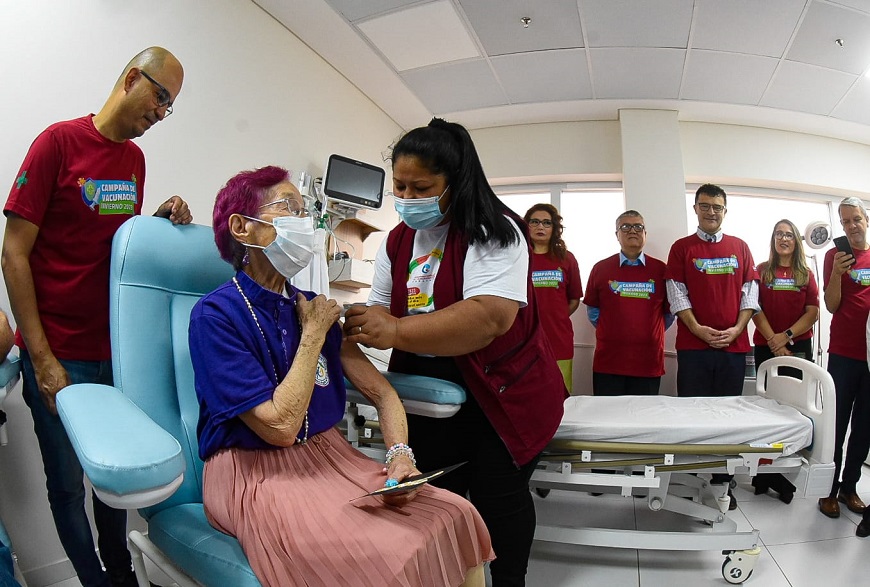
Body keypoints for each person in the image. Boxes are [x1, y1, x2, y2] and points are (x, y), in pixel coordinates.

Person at [190, 166, 492, 587]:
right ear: (242, 227)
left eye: (304, 209)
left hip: (331, 457)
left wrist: (400, 456)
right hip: (255, 473)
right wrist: (312, 334)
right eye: (288, 208)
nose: (304, 222)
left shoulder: (316, 307)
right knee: (386, 553)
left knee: (456, 513)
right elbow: (278, 427)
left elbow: (384, 395)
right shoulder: (216, 315)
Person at [344, 118, 566, 587]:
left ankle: (508, 580)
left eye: (421, 187)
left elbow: (489, 318)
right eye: (399, 186)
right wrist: (359, 324)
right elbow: (382, 308)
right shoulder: (398, 239)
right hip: (430, 395)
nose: (407, 198)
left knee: (497, 498)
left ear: (455, 181)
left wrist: (396, 329)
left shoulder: (496, 231)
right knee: (433, 499)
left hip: (502, 393)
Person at [1, 47, 190, 587]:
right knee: (65, 484)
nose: (161, 113)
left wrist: (158, 222)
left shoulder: (135, 161)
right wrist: (42, 360)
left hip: (116, 357)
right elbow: (14, 255)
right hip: (58, 355)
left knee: (116, 481)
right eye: (160, 97)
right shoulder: (56, 143)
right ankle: (92, 580)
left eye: (169, 107)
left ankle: (121, 574)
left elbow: (114, 249)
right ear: (132, 78)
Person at [665, 183, 759, 510]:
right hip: (694, 348)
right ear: (695, 209)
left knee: (727, 417)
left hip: (733, 349)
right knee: (692, 414)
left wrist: (736, 329)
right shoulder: (682, 248)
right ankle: (693, 477)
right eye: (705, 206)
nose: (711, 212)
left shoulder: (741, 247)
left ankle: (722, 482)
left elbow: (750, 294)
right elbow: (676, 293)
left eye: (717, 207)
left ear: (724, 211)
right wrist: (698, 330)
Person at [750, 219, 819, 503]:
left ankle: (783, 471)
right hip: (767, 347)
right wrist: (774, 341)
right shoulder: (762, 271)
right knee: (767, 409)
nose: (784, 238)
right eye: (779, 233)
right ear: (773, 239)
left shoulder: (805, 273)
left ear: (796, 241)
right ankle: (764, 473)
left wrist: (786, 336)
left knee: (793, 409)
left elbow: (812, 311)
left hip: (798, 347)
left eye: (789, 234)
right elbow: (755, 308)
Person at [817, 197, 870, 519]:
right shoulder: (833, 257)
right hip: (843, 354)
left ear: (867, 220)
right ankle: (828, 490)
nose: (851, 226)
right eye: (845, 221)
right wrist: (836, 273)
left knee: (864, 426)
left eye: (856, 219)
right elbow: (832, 305)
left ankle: (850, 486)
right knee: (835, 426)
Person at [584, 210, 672, 395]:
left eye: (638, 226)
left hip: (648, 362)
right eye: (625, 226)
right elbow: (593, 310)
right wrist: (614, 331)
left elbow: (669, 313)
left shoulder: (661, 270)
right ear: (617, 234)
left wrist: (648, 333)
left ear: (645, 234)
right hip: (609, 361)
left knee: (643, 421)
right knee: (607, 418)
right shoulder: (601, 268)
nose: (633, 230)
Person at [522, 203, 582, 393]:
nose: (541, 227)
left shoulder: (567, 258)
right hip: (524, 340)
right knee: (528, 393)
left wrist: (556, 316)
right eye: (535, 222)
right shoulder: (518, 257)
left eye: (547, 223)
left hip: (558, 339)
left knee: (559, 394)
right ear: (526, 225)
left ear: (554, 228)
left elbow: (574, 299)